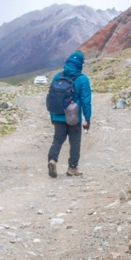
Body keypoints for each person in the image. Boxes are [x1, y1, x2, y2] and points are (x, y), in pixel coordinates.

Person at [47, 50, 91, 178]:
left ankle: (52, 160)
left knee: (58, 139)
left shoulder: (57, 76)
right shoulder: (82, 79)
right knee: (75, 141)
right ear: (80, 64)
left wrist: (52, 116)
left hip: (57, 114)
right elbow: (86, 101)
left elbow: (51, 98)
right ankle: (72, 167)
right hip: (73, 116)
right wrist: (87, 118)